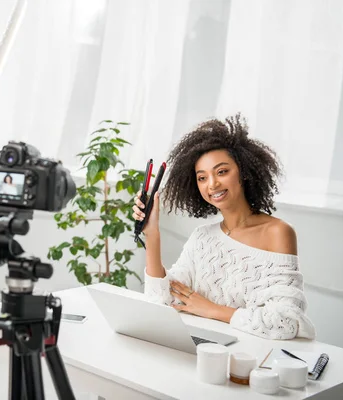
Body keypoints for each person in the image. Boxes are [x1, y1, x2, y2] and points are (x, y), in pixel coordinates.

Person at [132, 114, 316, 340]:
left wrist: (212, 310)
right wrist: (152, 235)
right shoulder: (202, 238)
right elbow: (161, 300)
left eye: (221, 172)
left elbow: (285, 322)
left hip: (256, 358)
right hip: (207, 351)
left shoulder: (277, 233)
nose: (212, 184)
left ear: (244, 172)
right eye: (202, 177)